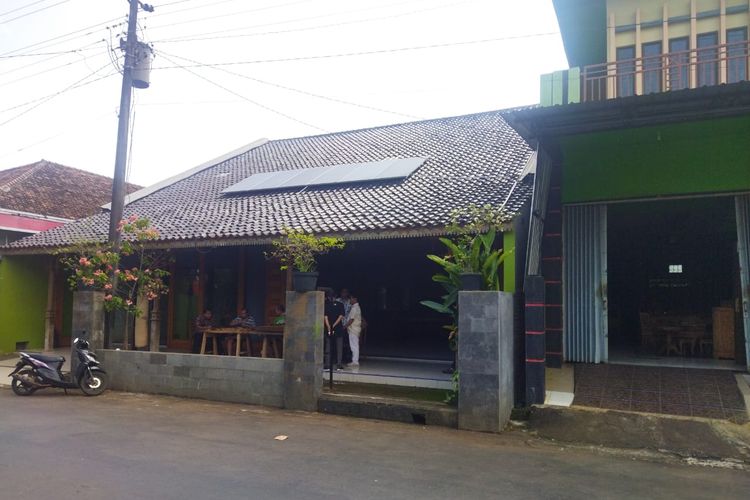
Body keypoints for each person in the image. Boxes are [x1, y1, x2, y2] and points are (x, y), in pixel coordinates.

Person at [324, 289, 346, 370]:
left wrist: (329, 326)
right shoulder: (340, 305)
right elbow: (341, 317)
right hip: (338, 328)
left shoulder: (326, 305)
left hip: (329, 328)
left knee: (328, 346)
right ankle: (339, 364)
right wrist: (334, 325)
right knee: (339, 346)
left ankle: (327, 364)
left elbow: (325, 317)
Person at [345, 293, 362, 367]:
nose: (350, 300)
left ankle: (355, 361)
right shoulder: (356, 307)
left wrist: (345, 326)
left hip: (353, 329)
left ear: (355, 299)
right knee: (354, 345)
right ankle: (355, 360)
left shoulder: (354, 308)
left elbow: (351, 319)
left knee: (354, 345)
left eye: (351, 299)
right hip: (355, 329)